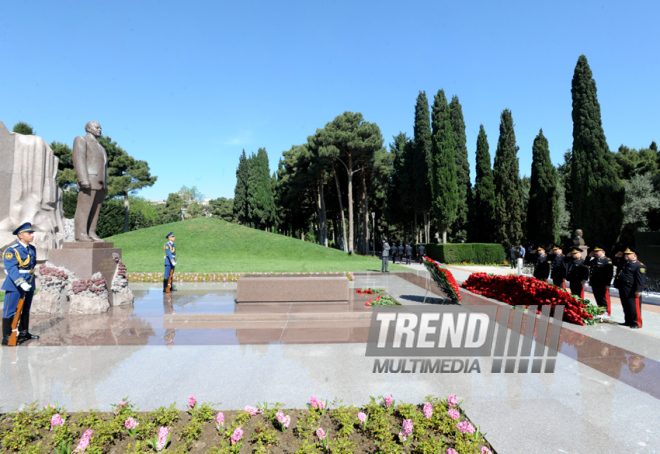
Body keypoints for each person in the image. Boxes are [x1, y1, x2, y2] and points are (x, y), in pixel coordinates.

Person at [2, 222, 39, 346]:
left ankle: (24, 332)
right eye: (29, 233)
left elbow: (32, 266)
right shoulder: (11, 250)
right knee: (10, 310)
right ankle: (7, 336)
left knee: (25, 308)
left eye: (32, 233)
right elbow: (11, 269)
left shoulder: (32, 249)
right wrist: (21, 282)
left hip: (29, 282)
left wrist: (28, 282)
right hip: (15, 284)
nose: (32, 235)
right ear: (21, 235)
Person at [72, 121, 108, 242]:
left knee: (95, 210)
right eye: (97, 127)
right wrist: (83, 179)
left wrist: (105, 184)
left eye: (100, 128)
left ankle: (91, 232)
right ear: (88, 128)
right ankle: (80, 234)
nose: (100, 129)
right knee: (84, 208)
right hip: (88, 180)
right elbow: (79, 160)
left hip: (100, 183)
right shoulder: (81, 140)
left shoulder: (101, 147)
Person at [613, 247, 646, 329]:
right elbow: (613, 263)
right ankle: (628, 321)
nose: (626, 255)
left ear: (634, 255)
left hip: (632, 289)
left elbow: (641, 279)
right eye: (625, 254)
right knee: (626, 306)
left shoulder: (639, 265)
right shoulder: (625, 263)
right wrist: (617, 256)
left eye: (628, 254)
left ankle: (637, 323)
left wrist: (639, 289)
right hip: (623, 288)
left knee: (634, 307)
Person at [586, 244, 614, 318]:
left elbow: (609, 273)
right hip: (595, 282)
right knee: (598, 297)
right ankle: (601, 311)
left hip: (603, 283)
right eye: (595, 251)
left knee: (604, 298)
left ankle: (607, 313)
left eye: (597, 251)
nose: (595, 253)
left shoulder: (607, 260)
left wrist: (608, 283)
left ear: (603, 252)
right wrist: (589, 256)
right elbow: (585, 264)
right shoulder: (594, 260)